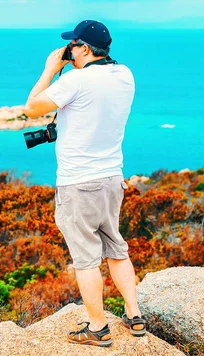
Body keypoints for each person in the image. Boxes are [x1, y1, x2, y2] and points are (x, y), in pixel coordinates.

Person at [23, 20, 146, 347]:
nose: (68, 49)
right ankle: (134, 316)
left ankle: (98, 327)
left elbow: (31, 106)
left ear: (85, 49)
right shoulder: (125, 75)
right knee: (116, 248)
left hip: (79, 183)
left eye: (72, 45)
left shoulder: (75, 80)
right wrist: (73, 63)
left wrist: (51, 68)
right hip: (112, 179)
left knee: (86, 259)